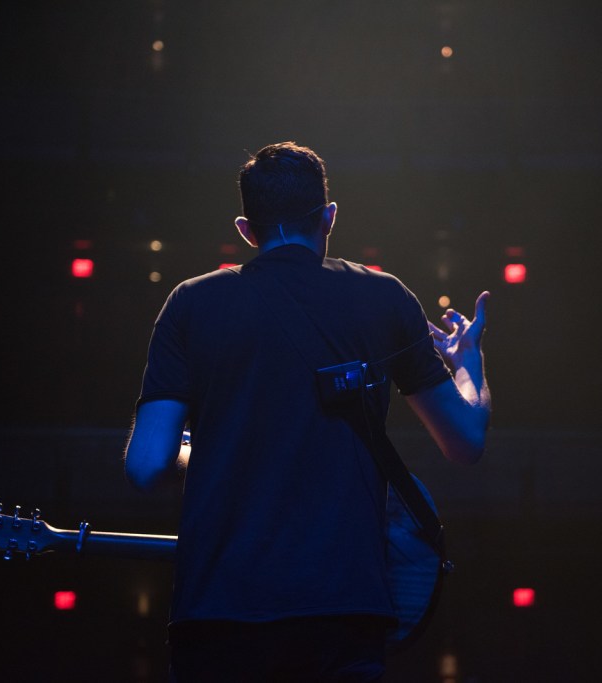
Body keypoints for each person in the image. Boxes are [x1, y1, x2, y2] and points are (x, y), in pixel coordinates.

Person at [124, 141, 491, 682]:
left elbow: (145, 466)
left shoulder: (190, 303)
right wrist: (468, 365)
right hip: (343, 613)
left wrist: (199, 449)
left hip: (220, 613)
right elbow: (465, 443)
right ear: (329, 217)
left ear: (247, 230)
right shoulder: (384, 298)